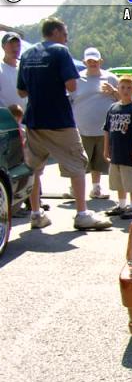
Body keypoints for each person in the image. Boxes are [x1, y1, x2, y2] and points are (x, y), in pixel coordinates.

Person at [16, 17, 111, 230]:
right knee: (77, 164)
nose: (67, 38)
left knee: (34, 168)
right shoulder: (60, 51)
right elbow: (72, 86)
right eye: (65, 33)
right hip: (59, 119)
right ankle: (82, 215)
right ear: (56, 32)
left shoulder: (28, 54)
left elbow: (21, 91)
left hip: (34, 120)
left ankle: (36, 214)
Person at [66, 47, 119, 200]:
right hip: (81, 128)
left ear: (100, 61)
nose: (92, 63)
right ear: (84, 62)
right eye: (89, 61)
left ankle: (96, 188)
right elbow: (68, 100)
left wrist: (113, 91)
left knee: (99, 161)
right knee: (78, 161)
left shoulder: (111, 78)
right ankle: (74, 189)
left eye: (95, 61)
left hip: (104, 129)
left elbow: (124, 98)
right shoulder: (76, 79)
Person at [103, 74, 132, 220]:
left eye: (129, 88)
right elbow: (107, 130)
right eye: (122, 87)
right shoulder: (113, 108)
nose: (125, 90)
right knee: (118, 181)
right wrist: (106, 149)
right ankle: (121, 205)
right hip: (116, 152)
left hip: (129, 153)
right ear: (117, 89)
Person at [0, 32, 27, 110]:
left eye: (18, 45)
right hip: (6, 117)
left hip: (26, 116)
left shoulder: (25, 68)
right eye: (11, 45)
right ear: (3, 47)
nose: (15, 49)